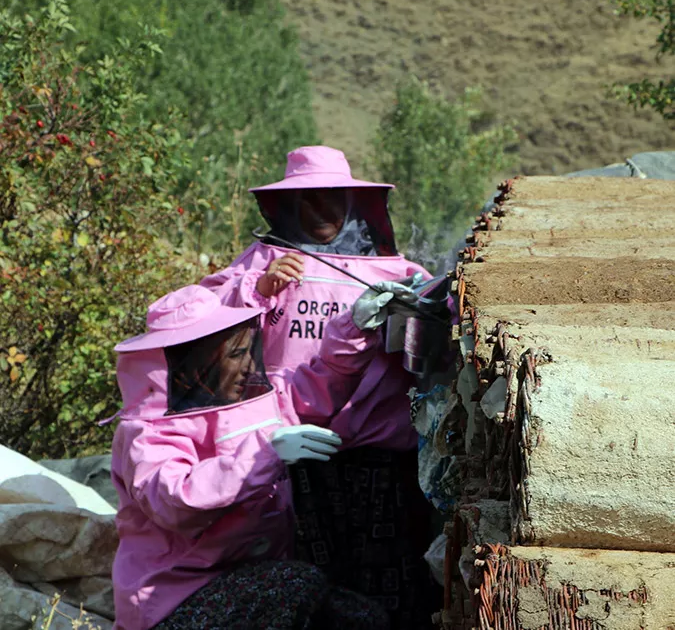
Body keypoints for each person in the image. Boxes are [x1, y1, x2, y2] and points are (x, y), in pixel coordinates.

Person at [200, 146, 451, 628]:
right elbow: (199, 326)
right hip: (294, 452)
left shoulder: (398, 272)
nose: (322, 212)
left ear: (353, 202)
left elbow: (438, 312)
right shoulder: (261, 262)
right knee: (309, 586)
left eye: (332, 198)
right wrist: (257, 288)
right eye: (308, 200)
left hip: (383, 460)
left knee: (391, 587)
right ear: (287, 206)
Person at [110, 283, 412, 630]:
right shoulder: (145, 434)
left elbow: (312, 390)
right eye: (236, 355)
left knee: (362, 619)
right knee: (295, 584)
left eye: (248, 350)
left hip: (250, 577)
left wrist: (355, 327)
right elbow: (175, 499)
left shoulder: (251, 399)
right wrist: (264, 455)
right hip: (170, 602)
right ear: (197, 365)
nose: (249, 365)